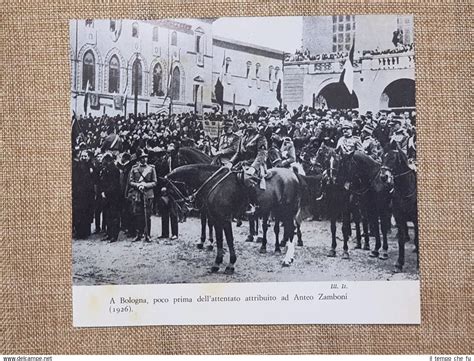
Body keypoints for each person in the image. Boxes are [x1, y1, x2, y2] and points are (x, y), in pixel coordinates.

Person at [229, 117, 268, 215]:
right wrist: (230, 162)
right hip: (242, 164)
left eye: (252, 122)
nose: (250, 123)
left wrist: (253, 167)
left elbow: (261, 154)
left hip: (255, 164)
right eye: (248, 121)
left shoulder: (260, 137)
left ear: (256, 123)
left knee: (247, 179)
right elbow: (238, 153)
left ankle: (253, 204)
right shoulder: (243, 136)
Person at [127, 150, 157, 242]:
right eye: (143, 158)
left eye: (146, 157)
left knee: (147, 215)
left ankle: (147, 234)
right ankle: (138, 234)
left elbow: (155, 182)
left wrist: (145, 185)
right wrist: (138, 185)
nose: (145, 159)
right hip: (137, 194)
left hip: (148, 194)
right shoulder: (134, 168)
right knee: (137, 215)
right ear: (139, 159)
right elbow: (130, 181)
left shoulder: (151, 168)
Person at [72, 150, 95, 239]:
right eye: (82, 156)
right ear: (80, 157)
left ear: (88, 157)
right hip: (79, 194)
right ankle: (79, 233)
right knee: (79, 213)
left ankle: (86, 232)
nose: (84, 158)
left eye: (85, 156)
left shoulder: (91, 166)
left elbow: (94, 179)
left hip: (88, 194)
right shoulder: (76, 166)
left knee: (87, 213)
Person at [99, 152, 122, 242]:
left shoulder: (114, 170)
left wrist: (105, 192)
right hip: (108, 196)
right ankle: (109, 234)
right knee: (108, 215)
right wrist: (103, 191)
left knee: (114, 215)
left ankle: (114, 235)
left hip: (114, 196)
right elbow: (103, 182)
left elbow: (114, 185)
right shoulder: (106, 169)